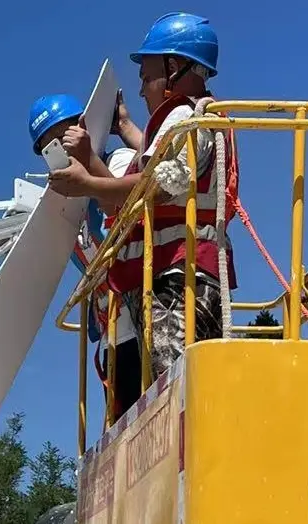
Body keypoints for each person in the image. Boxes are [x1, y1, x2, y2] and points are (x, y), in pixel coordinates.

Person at [47, 13, 236, 387]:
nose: (141, 88)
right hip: (166, 276)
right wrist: (119, 131)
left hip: (177, 277)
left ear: (176, 67)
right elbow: (147, 176)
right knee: (173, 394)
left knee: (178, 394)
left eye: (147, 76)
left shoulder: (188, 115)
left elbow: (158, 185)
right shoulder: (187, 119)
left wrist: (86, 182)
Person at [29, 93, 142, 415]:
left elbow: (122, 210)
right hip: (114, 335)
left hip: (142, 315)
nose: (60, 150)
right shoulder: (64, 202)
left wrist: (88, 160)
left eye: (63, 136)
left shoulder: (118, 160)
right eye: (49, 146)